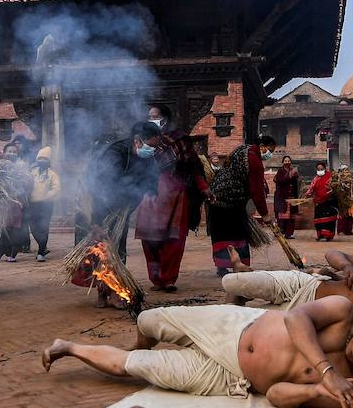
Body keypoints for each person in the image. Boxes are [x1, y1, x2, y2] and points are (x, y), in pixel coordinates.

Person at [42, 296, 353, 408]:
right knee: (148, 320)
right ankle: (144, 338)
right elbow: (295, 317)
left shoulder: (349, 391)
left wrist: (319, 392)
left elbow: (276, 395)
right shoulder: (343, 311)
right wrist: (325, 371)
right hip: (231, 325)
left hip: (230, 377)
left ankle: (68, 347)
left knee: (135, 367)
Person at [222, 249, 353, 331]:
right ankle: (243, 275)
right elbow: (332, 253)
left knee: (238, 323)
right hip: (304, 285)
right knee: (230, 282)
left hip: (303, 318)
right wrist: (346, 265)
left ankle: (244, 281)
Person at [74, 122, 160, 307]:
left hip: (122, 210)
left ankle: (113, 291)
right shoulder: (115, 154)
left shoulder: (146, 157)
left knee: (118, 251)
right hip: (101, 209)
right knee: (103, 250)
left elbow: (151, 180)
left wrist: (151, 191)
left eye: (155, 146)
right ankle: (104, 293)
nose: (152, 150)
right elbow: (100, 189)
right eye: (151, 146)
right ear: (137, 141)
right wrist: (96, 222)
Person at [136, 123, 206, 292]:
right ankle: (156, 278)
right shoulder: (138, 149)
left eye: (149, 140)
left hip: (175, 195)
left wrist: (204, 187)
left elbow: (195, 168)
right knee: (149, 239)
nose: (147, 144)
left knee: (174, 239)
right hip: (149, 198)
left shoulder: (180, 144)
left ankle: (169, 279)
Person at [205, 135, 273, 275]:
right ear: (262, 147)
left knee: (220, 233)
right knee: (237, 234)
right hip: (233, 200)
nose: (269, 154)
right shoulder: (254, 160)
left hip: (216, 197)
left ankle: (222, 266)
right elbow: (257, 191)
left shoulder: (241, 149)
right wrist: (265, 215)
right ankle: (239, 264)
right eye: (270, 150)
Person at [0, 140, 28, 262]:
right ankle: (0, 251)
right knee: (3, 227)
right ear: (4, 153)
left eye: (14, 152)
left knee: (15, 229)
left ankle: (12, 254)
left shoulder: (22, 167)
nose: (12, 154)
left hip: (16, 202)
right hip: (3, 202)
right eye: (9, 151)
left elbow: (27, 183)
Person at [26, 146, 61, 262]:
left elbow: (56, 188)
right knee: (33, 228)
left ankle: (41, 252)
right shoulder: (31, 172)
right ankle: (43, 247)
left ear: (49, 161)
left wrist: (46, 197)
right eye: (40, 158)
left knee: (43, 228)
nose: (42, 161)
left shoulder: (52, 174)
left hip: (46, 206)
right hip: (32, 204)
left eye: (45, 159)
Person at [308, 161, 337, 242]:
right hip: (318, 201)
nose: (320, 170)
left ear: (325, 168)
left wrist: (330, 192)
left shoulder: (331, 177)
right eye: (318, 169)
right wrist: (308, 194)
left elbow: (335, 187)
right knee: (318, 220)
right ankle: (320, 235)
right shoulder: (315, 179)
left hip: (329, 201)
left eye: (322, 169)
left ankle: (328, 235)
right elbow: (311, 189)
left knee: (328, 220)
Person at [271, 156, 299, 238]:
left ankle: (289, 234)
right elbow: (280, 181)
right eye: (285, 161)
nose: (287, 162)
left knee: (291, 217)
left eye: (288, 160)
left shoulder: (293, 171)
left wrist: (295, 176)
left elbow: (296, 183)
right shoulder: (280, 171)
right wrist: (290, 175)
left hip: (292, 197)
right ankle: (281, 232)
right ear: (283, 162)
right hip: (282, 198)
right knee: (282, 217)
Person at [332, 164, 353, 237]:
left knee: (351, 215)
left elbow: (352, 189)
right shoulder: (338, 179)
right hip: (341, 199)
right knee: (342, 215)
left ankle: (348, 230)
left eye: (347, 170)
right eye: (344, 170)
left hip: (350, 199)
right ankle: (341, 230)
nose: (346, 172)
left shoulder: (350, 179)